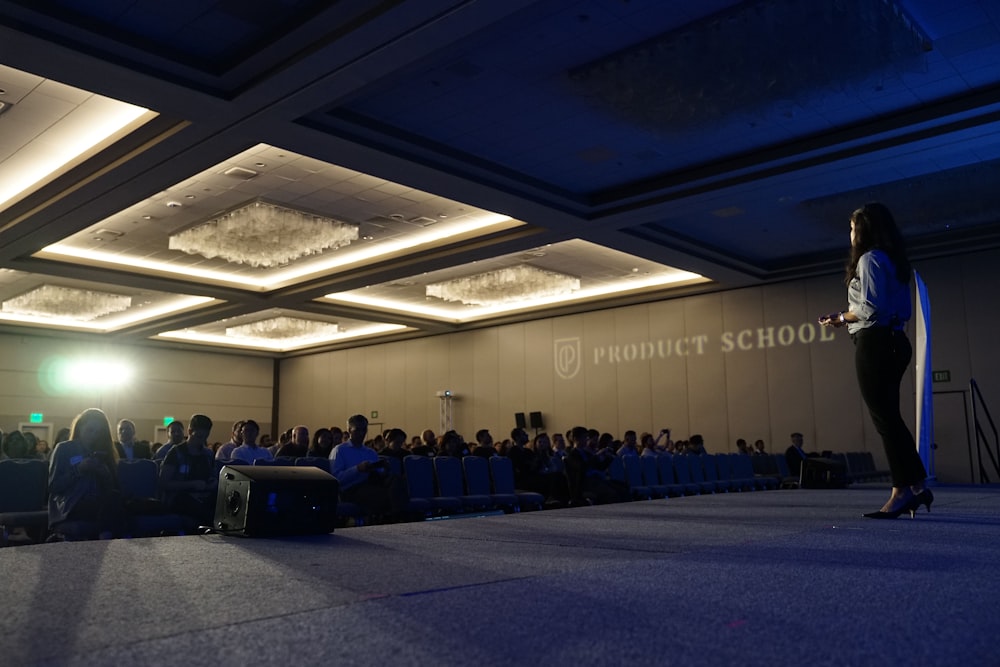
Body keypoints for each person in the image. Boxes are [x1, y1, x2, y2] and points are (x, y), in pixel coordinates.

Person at [819, 202, 930, 518]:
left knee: (885, 421)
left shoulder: (869, 260)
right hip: (895, 341)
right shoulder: (893, 260)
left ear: (864, 230)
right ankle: (918, 485)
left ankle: (901, 491)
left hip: (875, 342)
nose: (850, 234)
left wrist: (840, 316)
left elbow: (869, 309)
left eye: (853, 228)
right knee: (891, 418)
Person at [47, 408, 125, 540]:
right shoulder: (64, 449)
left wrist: (104, 474)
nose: (93, 435)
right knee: (112, 505)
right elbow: (54, 486)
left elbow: (112, 487)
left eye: (98, 432)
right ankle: (106, 541)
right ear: (80, 428)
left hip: (98, 501)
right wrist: (79, 470)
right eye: (90, 430)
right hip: (71, 503)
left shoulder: (103, 451)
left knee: (115, 500)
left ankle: (105, 538)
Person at [330, 414, 404, 517]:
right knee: (385, 495)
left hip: (371, 483)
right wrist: (357, 469)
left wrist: (384, 469)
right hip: (351, 489)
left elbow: (379, 473)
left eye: (364, 430)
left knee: (396, 480)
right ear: (349, 430)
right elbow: (336, 478)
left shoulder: (370, 452)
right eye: (358, 430)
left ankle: (395, 515)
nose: (362, 433)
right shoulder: (340, 450)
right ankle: (395, 517)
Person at [159, 414, 218, 527]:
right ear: (190, 431)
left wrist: (212, 483)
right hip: (179, 497)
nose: (202, 440)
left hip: (203, 495)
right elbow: (163, 483)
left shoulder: (208, 454)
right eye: (199, 436)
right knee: (206, 512)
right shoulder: (176, 452)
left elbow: (213, 477)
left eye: (205, 437)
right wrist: (191, 484)